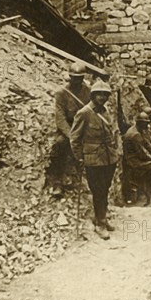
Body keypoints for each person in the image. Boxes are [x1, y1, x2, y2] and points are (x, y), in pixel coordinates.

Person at [70, 80, 118, 239]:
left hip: (109, 157)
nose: (102, 97)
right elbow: (75, 139)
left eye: (105, 95)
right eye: (99, 94)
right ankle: (100, 224)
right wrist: (80, 158)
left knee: (105, 188)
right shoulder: (84, 113)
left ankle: (102, 217)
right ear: (93, 95)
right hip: (93, 158)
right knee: (98, 190)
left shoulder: (105, 112)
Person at [46, 63, 91, 197]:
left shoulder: (88, 91)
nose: (77, 81)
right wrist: (72, 136)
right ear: (69, 77)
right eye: (74, 78)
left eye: (79, 78)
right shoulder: (61, 93)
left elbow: (92, 111)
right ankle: (58, 181)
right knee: (60, 145)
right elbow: (60, 118)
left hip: (84, 125)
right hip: (69, 127)